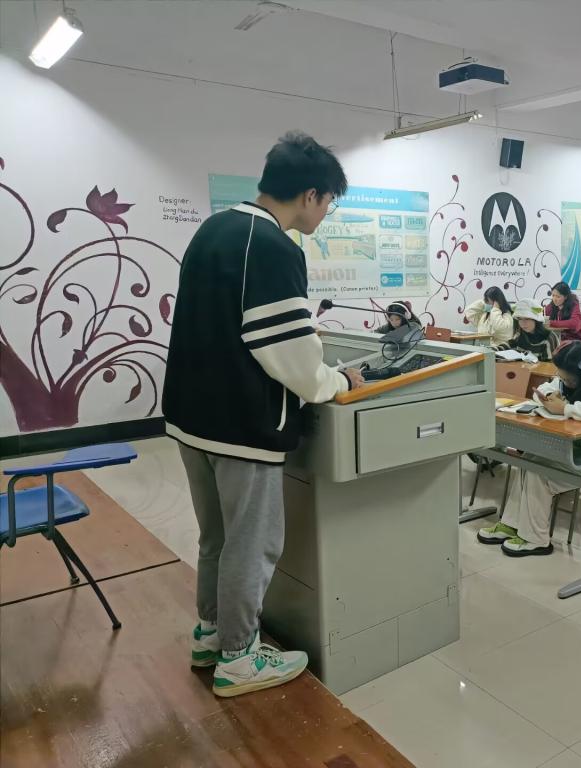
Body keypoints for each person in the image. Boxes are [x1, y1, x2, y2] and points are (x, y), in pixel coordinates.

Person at [163, 131, 364, 697]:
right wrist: (334, 381)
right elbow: (291, 358)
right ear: (310, 195)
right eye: (328, 203)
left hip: (191, 419)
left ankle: (210, 633)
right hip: (241, 426)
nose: (325, 214)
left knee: (215, 537)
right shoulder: (274, 247)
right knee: (252, 544)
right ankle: (239, 657)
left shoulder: (214, 228)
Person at [477, 342, 581, 556]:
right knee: (529, 460)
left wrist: (566, 408)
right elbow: (546, 388)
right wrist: (548, 397)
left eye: (569, 380)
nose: (565, 383)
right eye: (563, 378)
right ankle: (511, 524)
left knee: (539, 472)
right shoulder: (573, 372)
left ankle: (535, 539)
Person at [494, 299, 560, 362]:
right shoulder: (519, 335)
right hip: (523, 369)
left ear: (536, 320)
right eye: (520, 319)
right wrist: (491, 351)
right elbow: (507, 346)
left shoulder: (549, 338)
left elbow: (549, 366)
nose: (523, 323)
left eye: (527, 319)